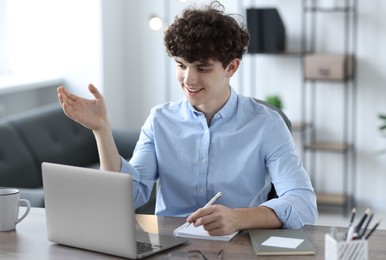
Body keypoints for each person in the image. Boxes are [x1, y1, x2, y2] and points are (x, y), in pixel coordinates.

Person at [57, 1, 317, 236]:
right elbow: (128, 197)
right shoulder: (159, 120)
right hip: (169, 247)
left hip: (238, 246)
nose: (189, 80)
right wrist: (102, 130)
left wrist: (238, 218)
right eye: (181, 65)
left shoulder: (266, 124)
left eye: (202, 68)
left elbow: (303, 203)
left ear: (231, 67)